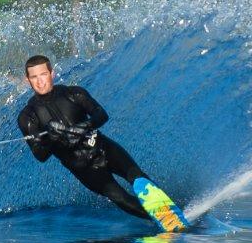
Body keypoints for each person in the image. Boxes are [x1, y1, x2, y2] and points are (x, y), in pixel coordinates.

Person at [15, 54, 156, 222]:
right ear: (28, 80)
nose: (40, 81)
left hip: (104, 148)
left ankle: (166, 208)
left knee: (137, 177)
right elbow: (40, 156)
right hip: (84, 168)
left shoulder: (73, 93)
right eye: (34, 77)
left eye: (43, 74)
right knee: (120, 198)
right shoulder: (27, 116)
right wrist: (50, 139)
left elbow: (101, 114)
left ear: (52, 74)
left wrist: (86, 125)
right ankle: (158, 219)